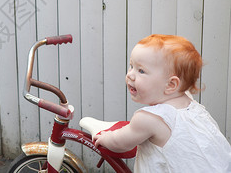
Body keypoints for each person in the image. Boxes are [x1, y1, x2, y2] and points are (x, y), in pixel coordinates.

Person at [93, 34, 231, 172]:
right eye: (131, 66)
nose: (130, 74)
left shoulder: (149, 119)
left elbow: (121, 142)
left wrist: (105, 138)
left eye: (141, 70)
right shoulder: (189, 103)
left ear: (171, 84)